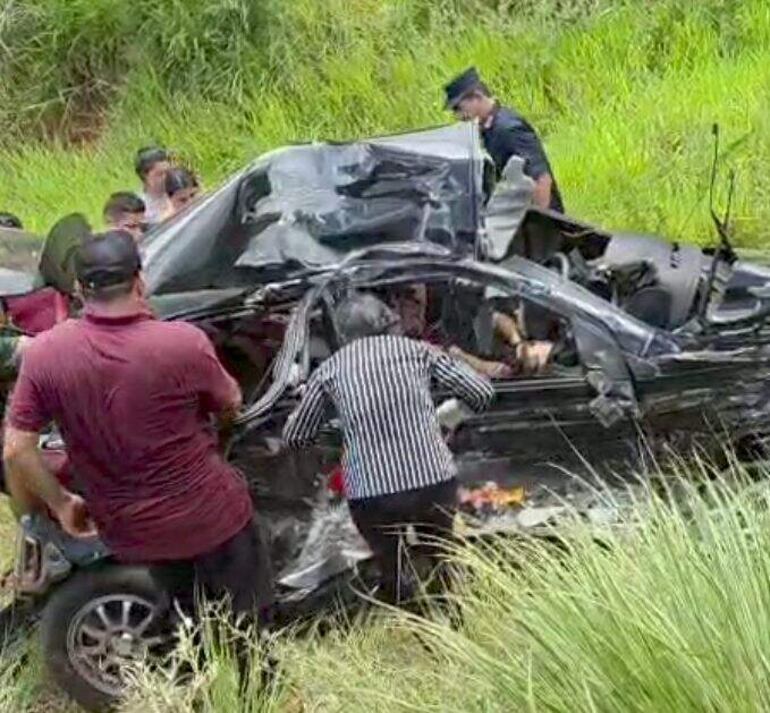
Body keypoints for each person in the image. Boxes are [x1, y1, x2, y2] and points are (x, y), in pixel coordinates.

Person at [3, 230, 273, 630]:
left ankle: (202, 672)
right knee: (249, 615)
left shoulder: (44, 354)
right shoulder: (183, 343)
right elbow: (231, 403)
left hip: (134, 531)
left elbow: (15, 450)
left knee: (186, 612)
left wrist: (61, 504)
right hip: (212, 514)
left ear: (78, 289)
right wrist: (222, 437)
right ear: (139, 280)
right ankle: (252, 682)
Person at [283, 292, 494, 604]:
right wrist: (446, 416)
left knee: (391, 566)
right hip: (432, 481)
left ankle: (406, 607)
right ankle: (449, 616)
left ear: (342, 333)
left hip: (373, 496)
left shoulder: (329, 371)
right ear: (388, 322)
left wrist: (342, 429)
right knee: (441, 557)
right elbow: (482, 391)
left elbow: (296, 436)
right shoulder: (418, 351)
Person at [444, 67, 565, 213]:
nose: (459, 116)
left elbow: (541, 179)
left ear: (476, 96)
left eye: (459, 108)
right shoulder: (487, 129)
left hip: (539, 222)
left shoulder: (508, 128)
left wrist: (538, 223)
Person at [135, 146, 171, 224]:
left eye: (168, 172)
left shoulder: (179, 190)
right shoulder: (140, 207)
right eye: (159, 174)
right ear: (144, 176)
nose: (166, 178)